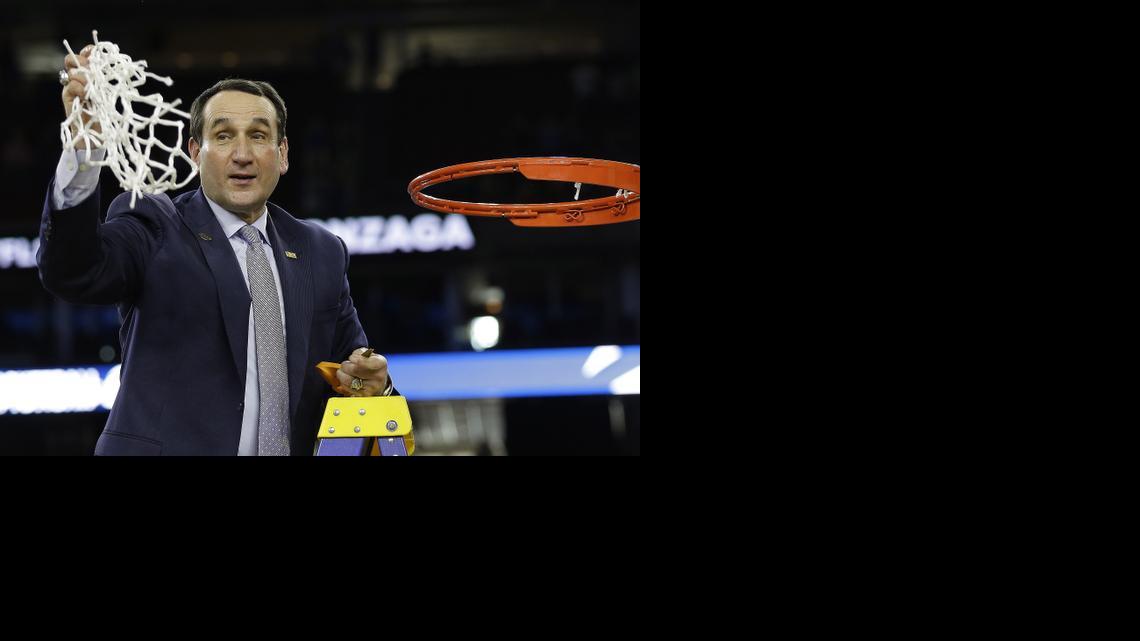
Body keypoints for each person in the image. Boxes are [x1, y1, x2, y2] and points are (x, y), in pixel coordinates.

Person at [37, 44, 394, 455]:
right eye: (223, 136)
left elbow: (354, 373)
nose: (242, 155)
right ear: (194, 152)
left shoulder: (321, 251)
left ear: (282, 155)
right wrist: (84, 150)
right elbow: (73, 271)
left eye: (258, 136)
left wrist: (376, 385)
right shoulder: (154, 223)